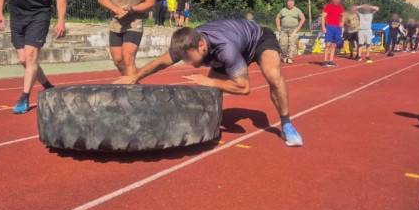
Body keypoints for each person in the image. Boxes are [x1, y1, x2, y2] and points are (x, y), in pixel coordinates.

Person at [114, 19, 304, 147]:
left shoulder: (225, 49)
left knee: (272, 75)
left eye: (189, 59)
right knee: (208, 88)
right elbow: (162, 62)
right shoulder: (189, 43)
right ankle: (207, 122)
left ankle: (287, 124)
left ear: (202, 46)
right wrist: (135, 76)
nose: (188, 64)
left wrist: (208, 80)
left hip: (259, 39)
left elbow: (244, 88)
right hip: (235, 44)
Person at [275, 0, 305, 64]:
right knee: (283, 44)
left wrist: (298, 29)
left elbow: (303, 19)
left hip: (293, 30)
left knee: (292, 44)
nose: (289, 4)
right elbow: (277, 18)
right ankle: (285, 56)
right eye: (288, 2)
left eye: (291, 2)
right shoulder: (283, 10)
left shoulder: (297, 10)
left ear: (293, 3)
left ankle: (290, 57)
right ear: (286, 3)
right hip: (283, 30)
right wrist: (278, 27)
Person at [321, 0, 345, 67]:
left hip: (337, 28)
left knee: (334, 45)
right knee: (328, 44)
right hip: (330, 27)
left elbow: (343, 15)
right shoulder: (328, 6)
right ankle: (325, 61)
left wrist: (342, 23)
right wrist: (323, 27)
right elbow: (323, 16)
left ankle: (331, 60)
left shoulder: (340, 7)